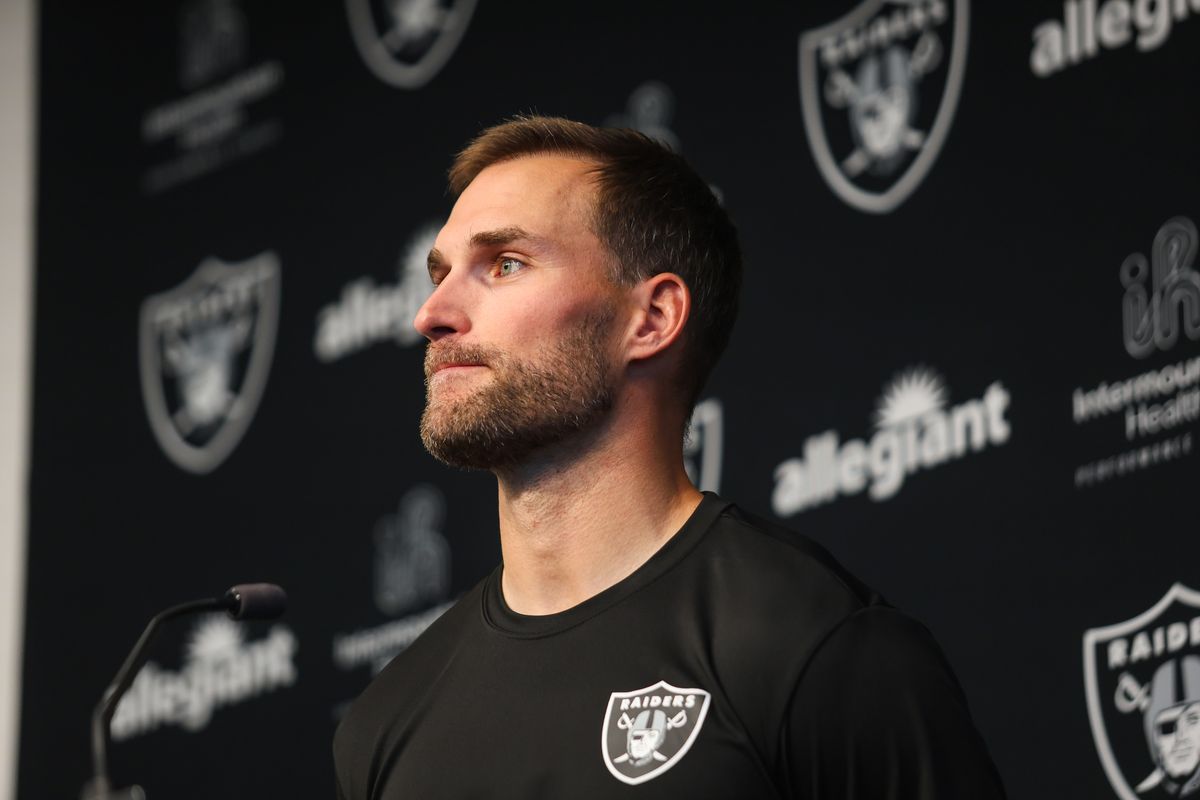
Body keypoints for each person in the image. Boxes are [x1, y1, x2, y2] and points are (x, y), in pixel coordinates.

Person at [333, 115, 1006, 798]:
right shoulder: (386, 722)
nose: (431, 314)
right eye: (440, 273)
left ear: (651, 319)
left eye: (504, 264)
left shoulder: (813, 647)